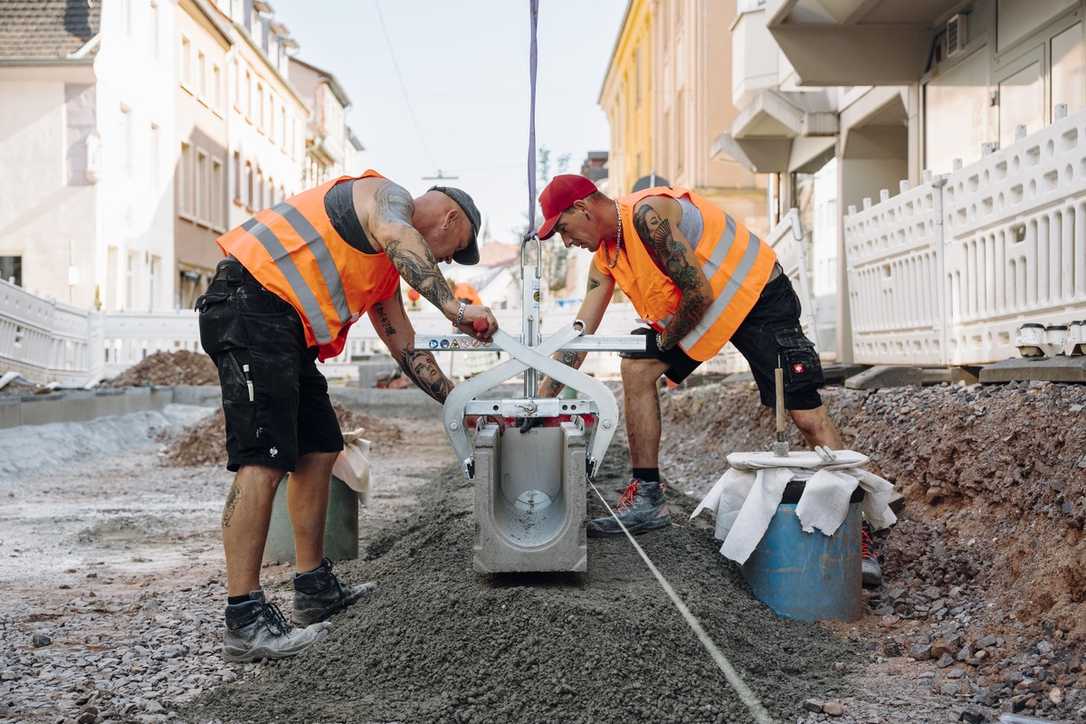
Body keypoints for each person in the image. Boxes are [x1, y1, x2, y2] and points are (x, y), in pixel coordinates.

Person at [197, 170, 498, 662]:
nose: (445, 260)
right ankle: (245, 619)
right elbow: (404, 237)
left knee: (320, 450)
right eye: (452, 249)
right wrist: (456, 310)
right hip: (248, 305)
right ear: (448, 218)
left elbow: (406, 350)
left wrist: (463, 404)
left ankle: (314, 587)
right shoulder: (384, 198)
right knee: (264, 459)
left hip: (285, 329)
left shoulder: (382, 268)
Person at [528, 175, 871, 561]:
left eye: (562, 229)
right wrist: (540, 404)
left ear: (583, 209)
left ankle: (859, 534)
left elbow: (700, 293)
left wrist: (662, 341)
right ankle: (647, 497)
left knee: (806, 415)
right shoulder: (606, 257)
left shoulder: (647, 215)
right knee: (636, 370)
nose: (566, 241)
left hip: (755, 295)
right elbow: (581, 334)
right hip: (702, 311)